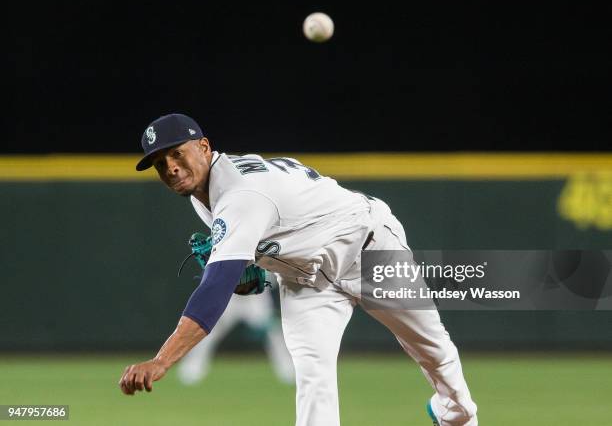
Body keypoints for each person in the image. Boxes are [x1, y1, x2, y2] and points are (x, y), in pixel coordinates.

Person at [118, 113, 478, 426]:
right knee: (313, 378)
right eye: (160, 163)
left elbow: (214, 290)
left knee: (433, 351)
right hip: (307, 282)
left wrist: (161, 361)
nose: (170, 167)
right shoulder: (204, 192)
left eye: (176, 153)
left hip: (369, 249)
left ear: (204, 146)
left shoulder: (240, 194)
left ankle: (455, 414)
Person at [177, 274, 295, 385]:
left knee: (274, 333)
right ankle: (191, 369)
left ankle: (287, 370)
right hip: (230, 298)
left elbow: (272, 277)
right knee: (207, 331)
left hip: (256, 300)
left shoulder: (265, 253)